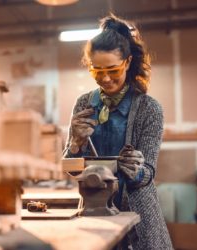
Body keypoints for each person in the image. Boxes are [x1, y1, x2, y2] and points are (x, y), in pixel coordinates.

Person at [63, 14, 173, 249]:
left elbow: (148, 175)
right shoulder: (84, 104)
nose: (105, 78)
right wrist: (74, 144)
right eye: (97, 70)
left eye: (113, 70)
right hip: (94, 216)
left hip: (139, 219)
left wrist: (136, 171)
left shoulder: (149, 108)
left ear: (128, 62)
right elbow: (71, 170)